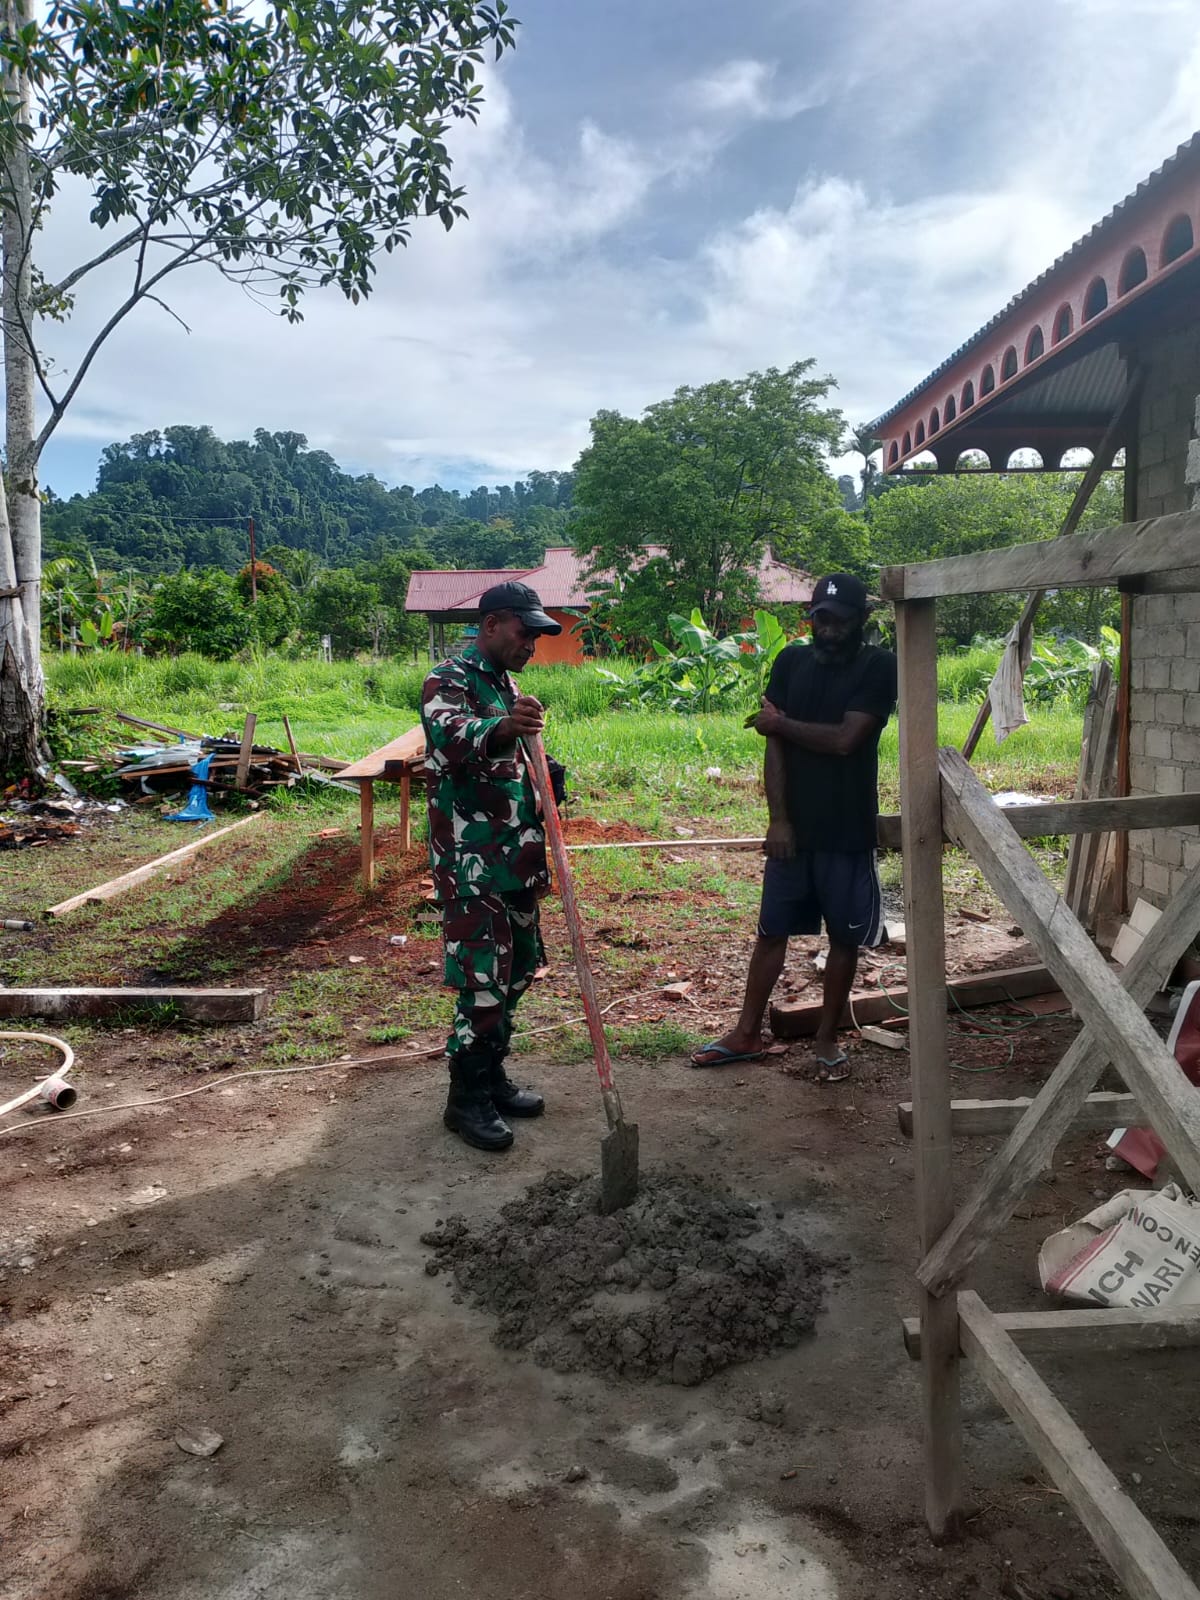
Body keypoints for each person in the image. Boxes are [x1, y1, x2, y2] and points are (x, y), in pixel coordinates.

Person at [690, 573, 897, 1081]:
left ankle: (826, 1040)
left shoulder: (879, 666)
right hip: (794, 831)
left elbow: (848, 739)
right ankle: (746, 1032)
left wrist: (780, 723)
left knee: (844, 939)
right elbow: (773, 746)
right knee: (772, 931)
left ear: (859, 620)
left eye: (840, 619)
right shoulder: (790, 662)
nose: (828, 628)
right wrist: (778, 820)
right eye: (820, 618)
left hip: (847, 829)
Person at [420, 581, 562, 1152]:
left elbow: (517, 760)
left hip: (517, 859)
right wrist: (506, 729)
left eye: (537, 636)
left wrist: (548, 768)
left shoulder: (507, 684)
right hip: (472, 864)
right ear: (492, 625)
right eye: (525, 632)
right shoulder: (448, 680)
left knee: (521, 969)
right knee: (483, 980)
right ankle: (466, 1097)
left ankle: (492, 1073)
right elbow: (451, 741)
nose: (532, 644)